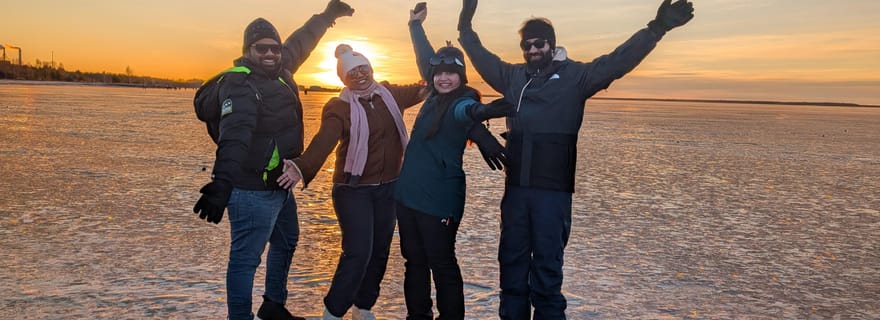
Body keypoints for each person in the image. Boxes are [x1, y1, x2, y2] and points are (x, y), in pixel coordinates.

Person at [456, 0, 695, 318]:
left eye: (539, 43)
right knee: (511, 269)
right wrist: (465, 25)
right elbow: (482, 58)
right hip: (516, 193)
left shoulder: (576, 78)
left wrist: (656, 29)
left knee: (547, 272)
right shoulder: (513, 78)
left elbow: (618, 61)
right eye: (527, 45)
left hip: (552, 195)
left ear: (551, 44)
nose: (533, 49)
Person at [191, 1, 354, 319]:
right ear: (248, 50)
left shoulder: (280, 68)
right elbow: (235, 137)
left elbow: (301, 41)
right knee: (245, 259)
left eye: (274, 48)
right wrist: (221, 183)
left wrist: (327, 16)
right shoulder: (241, 86)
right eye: (262, 49)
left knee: (287, 239)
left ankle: (273, 306)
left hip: (278, 185)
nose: (270, 54)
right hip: (250, 191)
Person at [276, 44, 426, 320]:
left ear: (371, 68)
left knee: (379, 251)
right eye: (351, 72)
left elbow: (424, 89)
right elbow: (325, 140)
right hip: (352, 189)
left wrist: (440, 67)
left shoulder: (390, 95)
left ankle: (363, 307)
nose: (359, 75)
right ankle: (333, 311)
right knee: (358, 252)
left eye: (363, 68)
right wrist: (302, 166)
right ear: (343, 79)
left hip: (389, 187)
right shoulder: (339, 107)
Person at [394, 3, 512, 320]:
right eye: (440, 73)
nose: (444, 78)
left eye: (451, 74)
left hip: (439, 202)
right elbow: (425, 59)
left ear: (461, 77)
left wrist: (486, 113)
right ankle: (417, 316)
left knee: (442, 263)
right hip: (407, 197)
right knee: (414, 262)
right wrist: (415, 26)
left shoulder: (463, 101)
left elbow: (467, 113)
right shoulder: (432, 93)